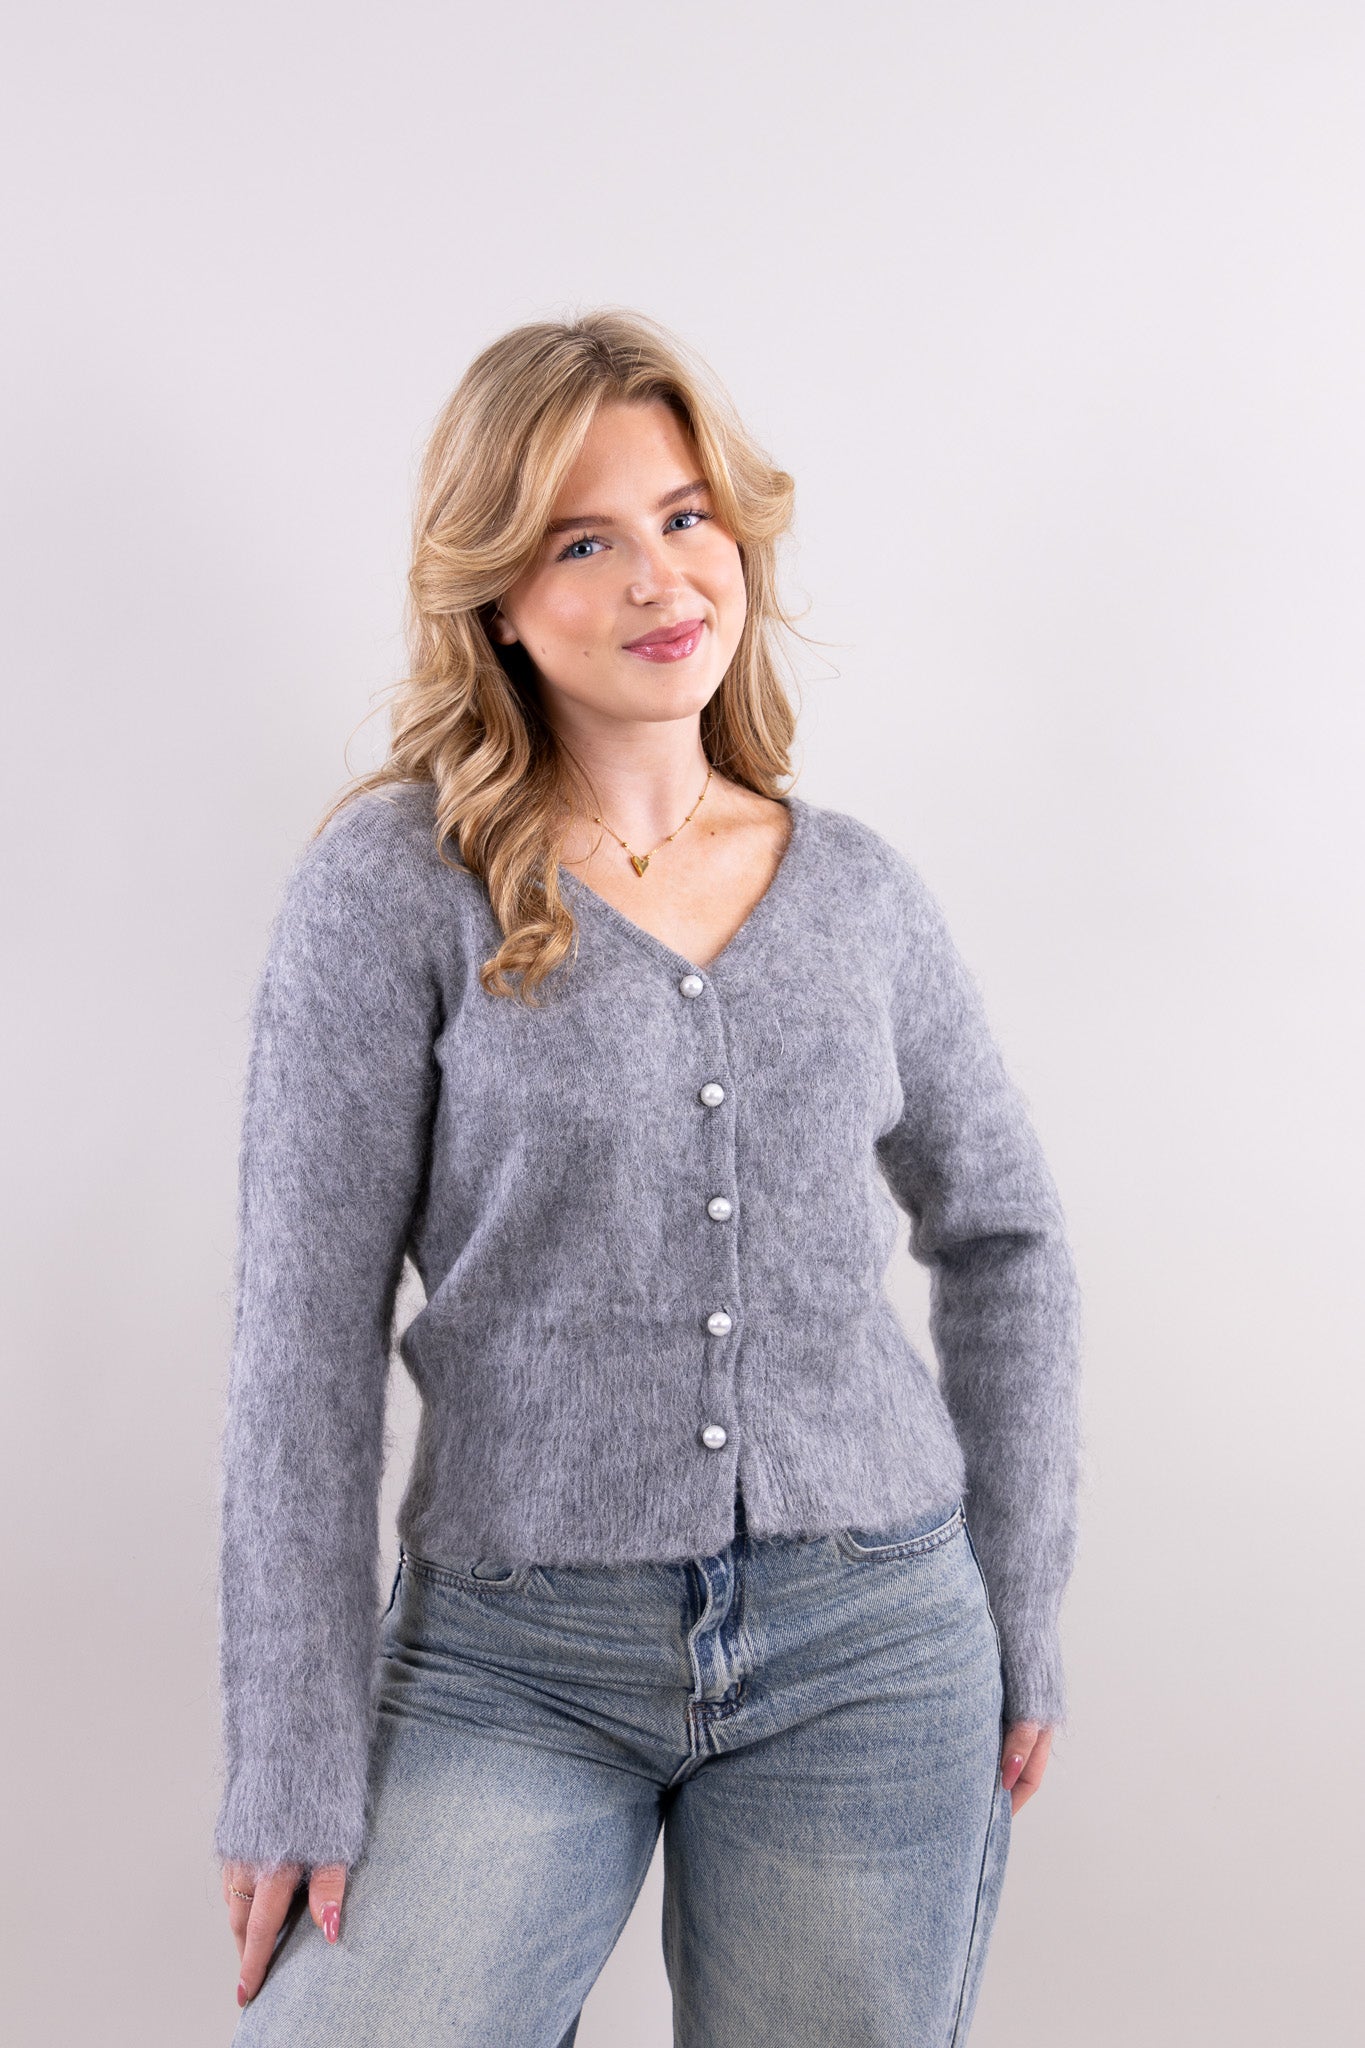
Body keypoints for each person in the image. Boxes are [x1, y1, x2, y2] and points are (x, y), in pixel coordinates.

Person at [214, 308, 1084, 2045]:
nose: (657, 577)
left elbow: (1004, 1235)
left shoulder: (857, 892)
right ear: (493, 595)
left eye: (685, 517)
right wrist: (289, 1750)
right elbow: (301, 1339)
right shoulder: (393, 888)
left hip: (874, 1646)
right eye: (581, 541)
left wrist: (1016, 1599)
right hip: (509, 1658)